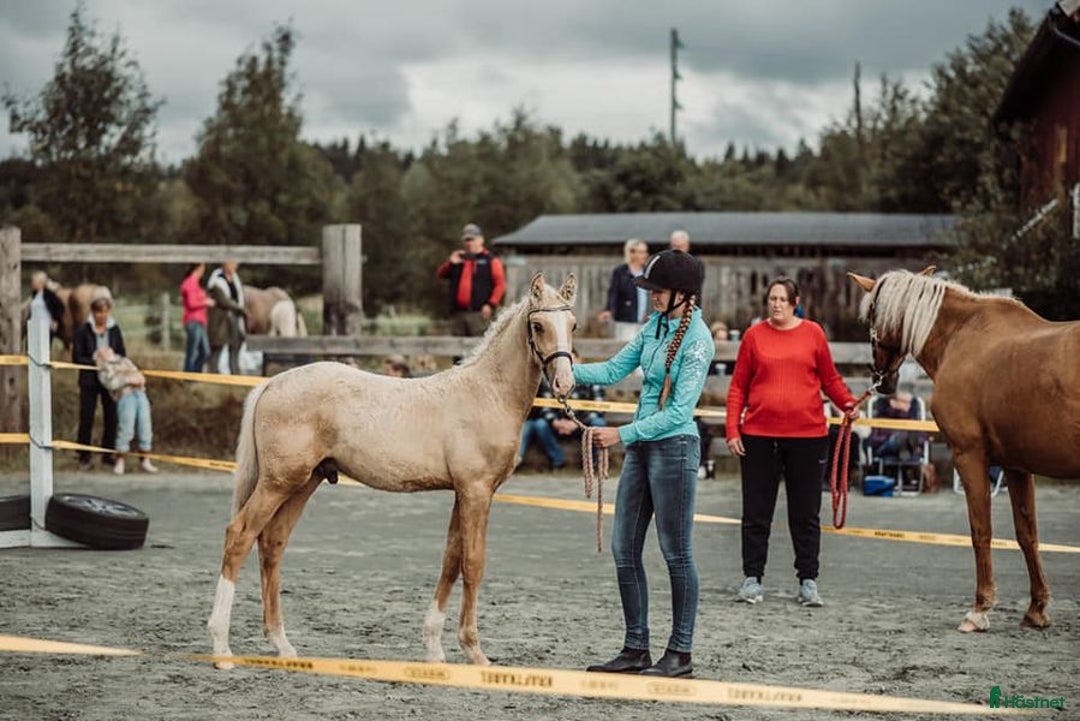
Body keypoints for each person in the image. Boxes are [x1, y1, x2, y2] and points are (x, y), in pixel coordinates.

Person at [576, 249, 714, 679]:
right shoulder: (654, 326)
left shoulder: (698, 340)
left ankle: (680, 652)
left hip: (674, 449)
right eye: (651, 290)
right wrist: (567, 372)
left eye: (658, 291)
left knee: (676, 552)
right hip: (642, 448)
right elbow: (614, 369)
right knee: (624, 549)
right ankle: (636, 647)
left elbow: (679, 413)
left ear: (682, 294)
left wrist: (621, 435)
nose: (651, 297)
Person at [725, 278, 860, 608]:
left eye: (782, 299)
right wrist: (732, 429)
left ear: (795, 303)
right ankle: (752, 579)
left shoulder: (813, 334)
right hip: (759, 436)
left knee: (806, 514)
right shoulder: (753, 336)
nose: (776, 304)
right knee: (756, 512)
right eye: (772, 299)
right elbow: (738, 386)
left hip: (807, 437)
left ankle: (808, 581)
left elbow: (830, 379)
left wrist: (847, 403)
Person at [518, 351, 606, 470]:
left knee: (598, 423)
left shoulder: (592, 380)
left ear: (579, 360)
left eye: (571, 361)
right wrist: (555, 422)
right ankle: (558, 460)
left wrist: (576, 423)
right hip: (557, 425)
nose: (568, 366)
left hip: (583, 425)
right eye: (565, 363)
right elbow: (544, 407)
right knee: (540, 425)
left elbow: (598, 408)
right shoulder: (552, 381)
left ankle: (593, 463)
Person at [73, 293, 125, 471]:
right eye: (99, 312)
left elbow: (122, 353)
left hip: (110, 380)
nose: (102, 315)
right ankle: (83, 455)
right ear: (93, 312)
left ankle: (108, 454)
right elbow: (77, 357)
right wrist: (95, 360)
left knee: (111, 417)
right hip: (89, 380)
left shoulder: (115, 330)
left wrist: (112, 359)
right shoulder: (83, 330)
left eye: (105, 312)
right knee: (86, 416)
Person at [93, 346, 158, 475]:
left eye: (108, 348)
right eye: (103, 350)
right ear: (100, 356)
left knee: (145, 427)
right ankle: (120, 461)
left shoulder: (125, 361)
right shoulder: (104, 368)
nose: (108, 349)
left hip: (140, 394)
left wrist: (135, 379)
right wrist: (128, 379)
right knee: (126, 429)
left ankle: (145, 460)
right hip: (125, 396)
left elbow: (138, 375)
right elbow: (111, 384)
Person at [435, 222, 506, 337]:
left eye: (472, 239)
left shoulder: (490, 260)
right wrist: (450, 263)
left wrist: (490, 304)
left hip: (479, 314)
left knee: (479, 344)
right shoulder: (458, 258)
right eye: (466, 240)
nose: (469, 243)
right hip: (459, 314)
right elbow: (440, 274)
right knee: (456, 345)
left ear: (481, 240)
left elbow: (500, 285)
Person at [597, 239, 650, 341]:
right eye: (641, 252)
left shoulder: (647, 272)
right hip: (625, 321)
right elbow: (613, 292)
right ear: (632, 253)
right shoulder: (621, 272)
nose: (645, 255)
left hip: (645, 322)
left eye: (645, 252)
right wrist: (609, 310)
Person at [865, 391, 928, 463]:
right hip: (886, 445)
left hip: (909, 444)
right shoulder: (883, 417)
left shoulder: (912, 419)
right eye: (904, 402)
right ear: (893, 402)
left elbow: (922, 435)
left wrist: (919, 444)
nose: (909, 405)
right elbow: (875, 438)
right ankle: (904, 447)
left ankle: (905, 448)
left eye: (909, 403)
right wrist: (889, 437)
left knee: (912, 434)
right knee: (900, 437)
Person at [207, 261, 246, 375]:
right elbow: (224, 301)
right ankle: (213, 372)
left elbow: (239, 297)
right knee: (217, 347)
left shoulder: (235, 280)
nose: (235, 266)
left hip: (234, 318)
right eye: (232, 263)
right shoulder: (217, 281)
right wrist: (239, 309)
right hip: (221, 320)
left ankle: (235, 371)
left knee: (235, 345)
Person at [180, 263, 214, 373]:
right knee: (192, 352)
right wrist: (205, 302)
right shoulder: (190, 283)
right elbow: (191, 303)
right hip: (193, 321)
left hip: (200, 321)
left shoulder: (196, 283)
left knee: (205, 351)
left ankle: (195, 374)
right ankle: (189, 376)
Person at [27, 270, 65, 347]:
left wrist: (55, 320)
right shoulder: (34, 294)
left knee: (44, 347)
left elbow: (60, 307)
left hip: (46, 325)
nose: (32, 283)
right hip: (34, 325)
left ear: (41, 283)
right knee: (32, 348)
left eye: (34, 281)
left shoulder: (49, 295)